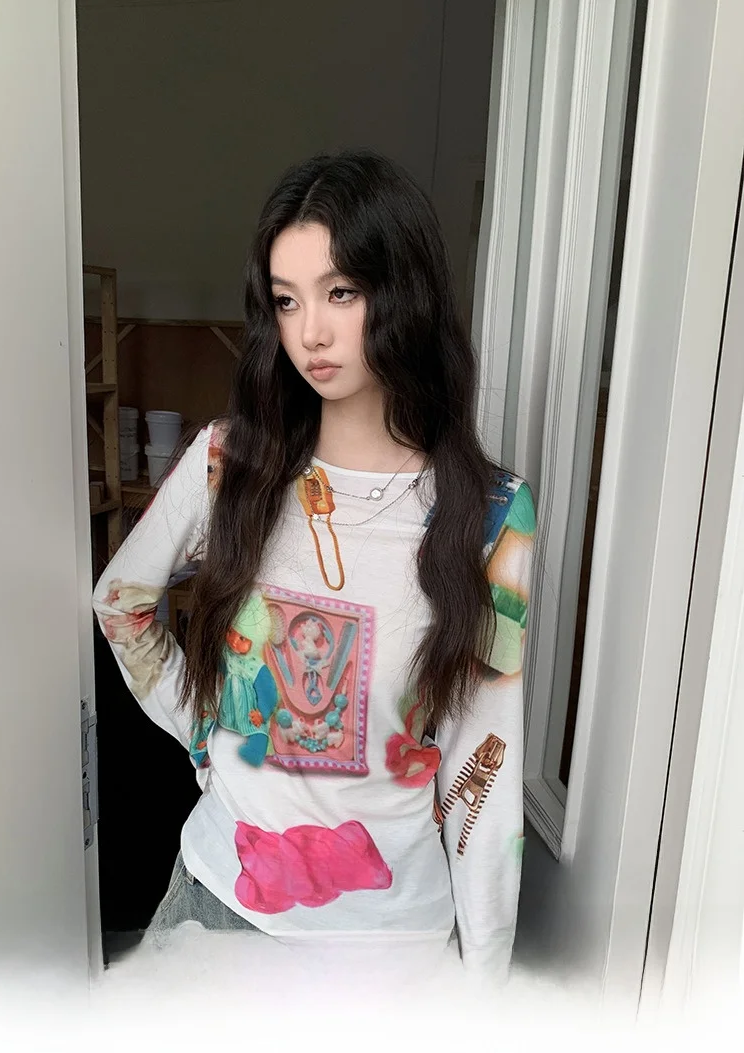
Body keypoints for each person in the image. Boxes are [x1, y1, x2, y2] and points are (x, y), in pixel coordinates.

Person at [93, 150, 536, 984]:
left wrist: (485, 981)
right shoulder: (229, 464)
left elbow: (484, 754)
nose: (311, 334)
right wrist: (204, 729)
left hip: (387, 941)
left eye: (341, 292)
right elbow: (121, 600)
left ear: (402, 295)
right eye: (287, 300)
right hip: (221, 898)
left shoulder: (488, 515)